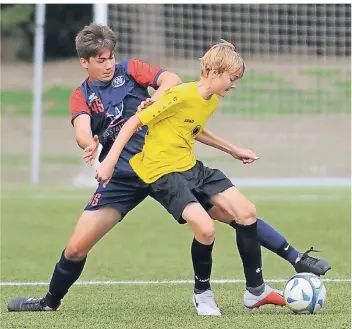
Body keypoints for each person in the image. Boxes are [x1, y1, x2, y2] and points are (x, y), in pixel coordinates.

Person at [7, 25, 330, 314]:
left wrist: (157, 99)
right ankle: (50, 301)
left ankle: (285, 265)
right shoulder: (82, 95)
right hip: (122, 174)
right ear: (85, 62)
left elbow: (171, 81)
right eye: (100, 60)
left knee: (236, 214)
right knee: (77, 246)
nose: (108, 65)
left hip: (167, 165)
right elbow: (81, 129)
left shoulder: (131, 70)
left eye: (110, 58)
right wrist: (89, 143)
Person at [93, 40, 311, 316]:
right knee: (206, 229)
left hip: (191, 167)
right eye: (232, 79)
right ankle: (203, 293)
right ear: (213, 72)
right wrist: (110, 161)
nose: (233, 85)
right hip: (162, 172)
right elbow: (134, 122)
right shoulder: (180, 94)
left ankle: (256, 291)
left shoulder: (211, 100)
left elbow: (193, 129)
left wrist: (233, 150)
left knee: (246, 212)